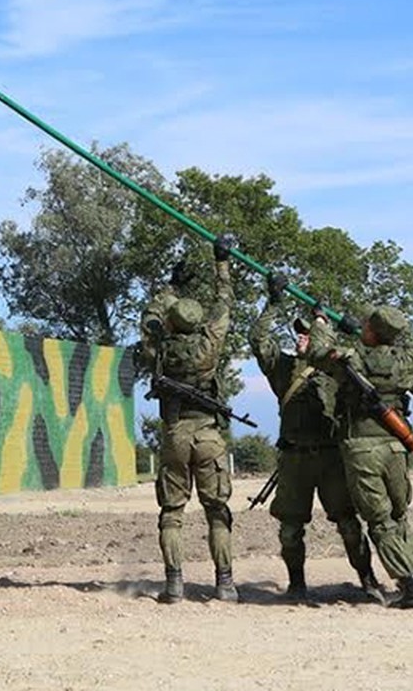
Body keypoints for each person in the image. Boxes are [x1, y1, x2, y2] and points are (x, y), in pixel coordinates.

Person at [249, 274, 384, 604]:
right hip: (294, 459)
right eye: (299, 333)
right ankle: (297, 585)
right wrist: (274, 302)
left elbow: (379, 363)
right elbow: (258, 339)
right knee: (290, 530)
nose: (300, 338)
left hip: (331, 457)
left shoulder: (340, 368)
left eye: (307, 333)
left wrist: (356, 334)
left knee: (349, 526)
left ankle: (368, 580)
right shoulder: (283, 368)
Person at [306, 305, 413, 609]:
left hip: (362, 447)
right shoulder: (408, 359)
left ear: (370, 330)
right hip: (398, 445)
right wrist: (405, 343)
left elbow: (317, 352)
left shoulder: (351, 358)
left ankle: (412, 588)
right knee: (399, 516)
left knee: (380, 520)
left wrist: (321, 321)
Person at [141, 235, 238, 603]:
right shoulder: (209, 344)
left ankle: (174, 584)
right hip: (209, 434)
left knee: (171, 513)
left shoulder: (159, 349)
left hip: (175, 435)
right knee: (217, 512)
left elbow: (150, 316)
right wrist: (222, 261)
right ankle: (225, 584)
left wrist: (171, 287)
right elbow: (224, 302)